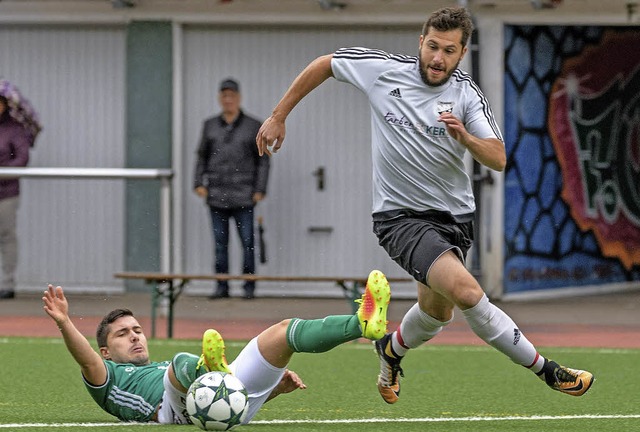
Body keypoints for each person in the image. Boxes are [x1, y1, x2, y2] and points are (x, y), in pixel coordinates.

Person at [256, 6, 594, 404]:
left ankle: (391, 350)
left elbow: (498, 158)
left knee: (436, 314)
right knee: (467, 293)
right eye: (432, 46)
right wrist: (279, 116)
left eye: (448, 51)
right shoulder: (383, 71)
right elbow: (325, 64)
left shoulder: (466, 94)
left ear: (462, 53)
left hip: (454, 219)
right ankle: (548, 370)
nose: (438, 58)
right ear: (420, 42)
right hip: (399, 218)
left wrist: (465, 138)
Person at [42, 269, 390, 424]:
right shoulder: (111, 377)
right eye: (122, 334)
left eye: (137, 329)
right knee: (181, 362)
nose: (134, 336)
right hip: (170, 413)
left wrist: (273, 393)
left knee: (280, 333)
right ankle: (213, 374)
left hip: (212, 397)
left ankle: (360, 324)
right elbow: (85, 360)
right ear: (105, 351)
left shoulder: (156, 364)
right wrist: (64, 322)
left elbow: (224, 409)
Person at [194, 78, 270, 300]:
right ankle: (222, 287)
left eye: (232, 96)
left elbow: (263, 160)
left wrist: (260, 188)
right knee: (220, 244)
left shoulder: (253, 126)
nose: (228, 100)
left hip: (244, 195)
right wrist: (198, 183)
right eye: (224, 96)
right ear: (220, 99)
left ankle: (248, 287)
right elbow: (201, 156)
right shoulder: (210, 125)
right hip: (216, 194)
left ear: (239, 98)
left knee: (248, 243)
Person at [0, 95, 31, 299]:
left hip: (6, 192)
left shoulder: (14, 129)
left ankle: (7, 283)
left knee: (6, 235)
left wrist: (3, 171)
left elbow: (22, 158)